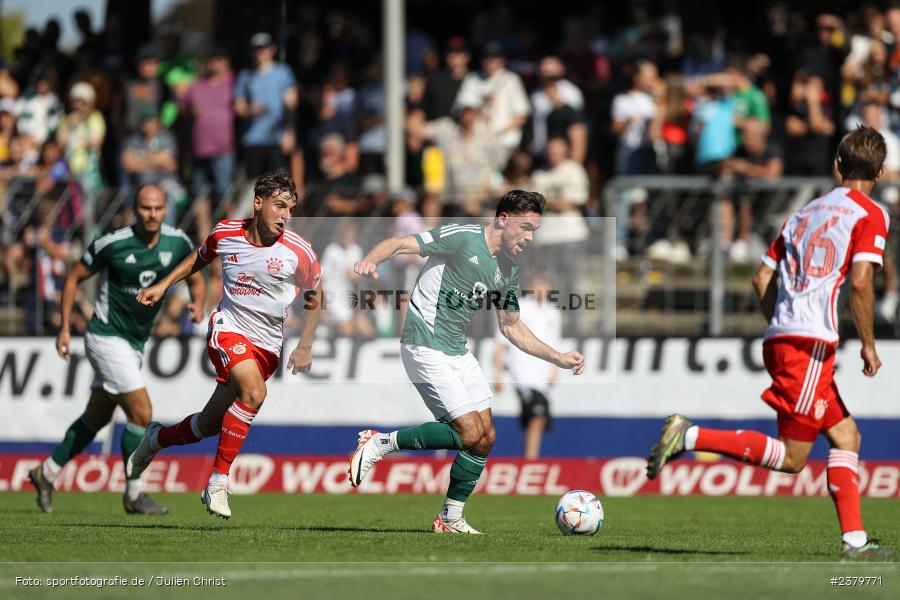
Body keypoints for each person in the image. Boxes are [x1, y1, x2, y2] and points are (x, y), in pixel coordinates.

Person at [646, 126, 893, 559]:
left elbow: (762, 276)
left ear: (838, 164)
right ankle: (690, 436)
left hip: (783, 335)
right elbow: (860, 283)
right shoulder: (871, 213)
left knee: (847, 436)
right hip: (810, 343)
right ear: (882, 169)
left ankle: (855, 542)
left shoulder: (803, 212)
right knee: (794, 459)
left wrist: (779, 320)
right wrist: (869, 344)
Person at [347, 190, 585, 534]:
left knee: (485, 437)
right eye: (526, 227)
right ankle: (381, 443)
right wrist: (371, 259)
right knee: (468, 432)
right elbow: (401, 243)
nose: (530, 237)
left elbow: (511, 326)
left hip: (457, 351)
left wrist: (557, 356)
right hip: (424, 344)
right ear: (503, 219)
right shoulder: (462, 237)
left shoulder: (508, 269)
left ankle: (449, 518)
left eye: (535, 229)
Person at [125, 173, 322, 519]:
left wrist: (305, 344)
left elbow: (315, 293)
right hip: (228, 329)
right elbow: (199, 258)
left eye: (290, 209)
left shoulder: (297, 252)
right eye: (279, 206)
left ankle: (156, 439)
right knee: (255, 393)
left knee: (209, 424)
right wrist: (163, 285)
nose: (285, 215)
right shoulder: (226, 233)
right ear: (258, 203)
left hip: (268, 346)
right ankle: (218, 481)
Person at [28, 184, 204, 515]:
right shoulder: (113, 243)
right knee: (141, 413)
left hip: (135, 342)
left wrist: (198, 304)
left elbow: (196, 275)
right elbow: (72, 279)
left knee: (97, 416)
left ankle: (46, 472)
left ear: (165, 210)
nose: (151, 215)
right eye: (145, 208)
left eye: (157, 209)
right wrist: (65, 328)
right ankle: (134, 493)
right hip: (105, 336)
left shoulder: (177, 241)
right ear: (133, 210)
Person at [493, 272, 561, 459]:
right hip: (523, 374)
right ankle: (531, 462)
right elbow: (500, 342)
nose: (541, 290)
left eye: (544, 285)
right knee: (537, 417)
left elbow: (554, 342)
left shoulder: (552, 312)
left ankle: (527, 461)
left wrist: (556, 369)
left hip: (543, 376)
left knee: (535, 420)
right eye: (537, 285)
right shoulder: (519, 308)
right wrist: (497, 374)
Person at [234, 33, 298, 178]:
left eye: (263, 48)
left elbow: (291, 103)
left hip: (276, 138)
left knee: (279, 183)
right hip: (253, 138)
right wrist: (251, 110)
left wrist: (289, 132)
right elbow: (239, 107)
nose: (259, 53)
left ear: (272, 49)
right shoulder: (245, 76)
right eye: (255, 49)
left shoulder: (283, 72)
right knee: (254, 185)